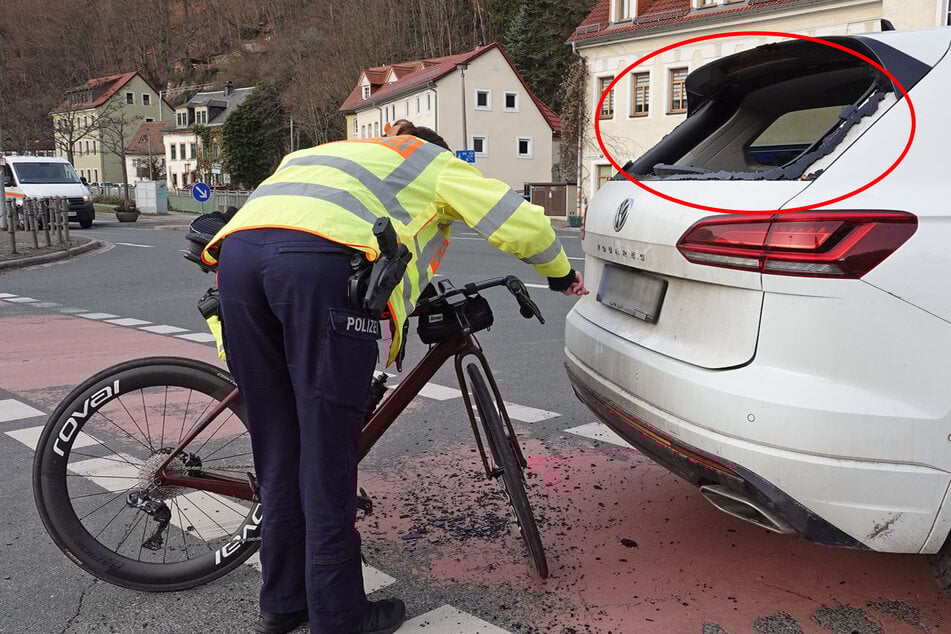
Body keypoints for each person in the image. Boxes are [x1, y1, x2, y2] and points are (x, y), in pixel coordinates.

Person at [200, 121, 587, 634]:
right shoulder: (429, 161)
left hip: (239, 260)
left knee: (279, 451)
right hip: (319, 265)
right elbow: (520, 221)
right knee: (327, 455)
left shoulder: (328, 152)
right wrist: (560, 273)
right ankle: (340, 618)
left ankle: (283, 601)